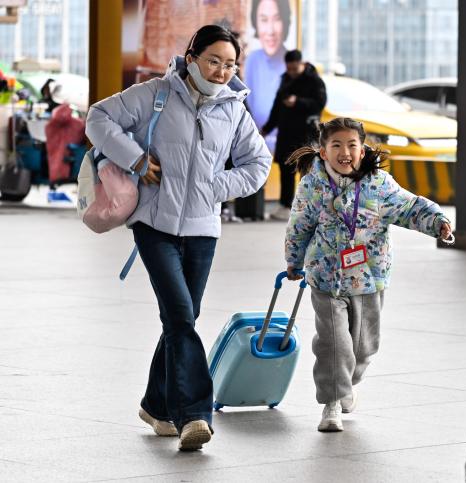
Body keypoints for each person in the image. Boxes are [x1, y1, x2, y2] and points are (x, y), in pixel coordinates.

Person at [85, 25, 271, 451]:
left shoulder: (233, 110)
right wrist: (134, 160)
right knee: (181, 316)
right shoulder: (155, 93)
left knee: (181, 318)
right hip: (154, 224)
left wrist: (215, 187)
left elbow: (257, 163)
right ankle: (194, 415)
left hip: (204, 229)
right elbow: (98, 117)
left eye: (230, 64)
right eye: (214, 61)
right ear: (192, 58)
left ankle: (155, 404)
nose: (223, 71)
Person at [283, 117, 452, 432]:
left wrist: (436, 222)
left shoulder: (379, 184)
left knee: (363, 347)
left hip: (370, 277)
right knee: (335, 344)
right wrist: (294, 260)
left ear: (362, 150)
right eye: (336, 145)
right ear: (322, 151)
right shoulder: (313, 185)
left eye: (351, 145)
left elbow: (408, 207)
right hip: (326, 278)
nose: (344, 152)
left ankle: (348, 384)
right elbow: (300, 224)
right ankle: (332, 404)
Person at [262, 49, 327, 220]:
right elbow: (277, 106)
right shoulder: (285, 79)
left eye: (294, 68)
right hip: (286, 131)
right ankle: (285, 205)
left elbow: (320, 103)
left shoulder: (314, 80)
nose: (291, 72)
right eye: (288, 68)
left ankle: (307, 206)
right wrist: (267, 128)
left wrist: (297, 101)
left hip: (306, 133)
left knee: (306, 170)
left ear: (302, 63)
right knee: (286, 167)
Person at [245, 0, 291, 151]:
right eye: (264, 20)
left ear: (285, 21)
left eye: (277, 19)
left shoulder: (294, 64)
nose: (270, 30)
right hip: (254, 152)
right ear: (255, 23)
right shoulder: (252, 61)